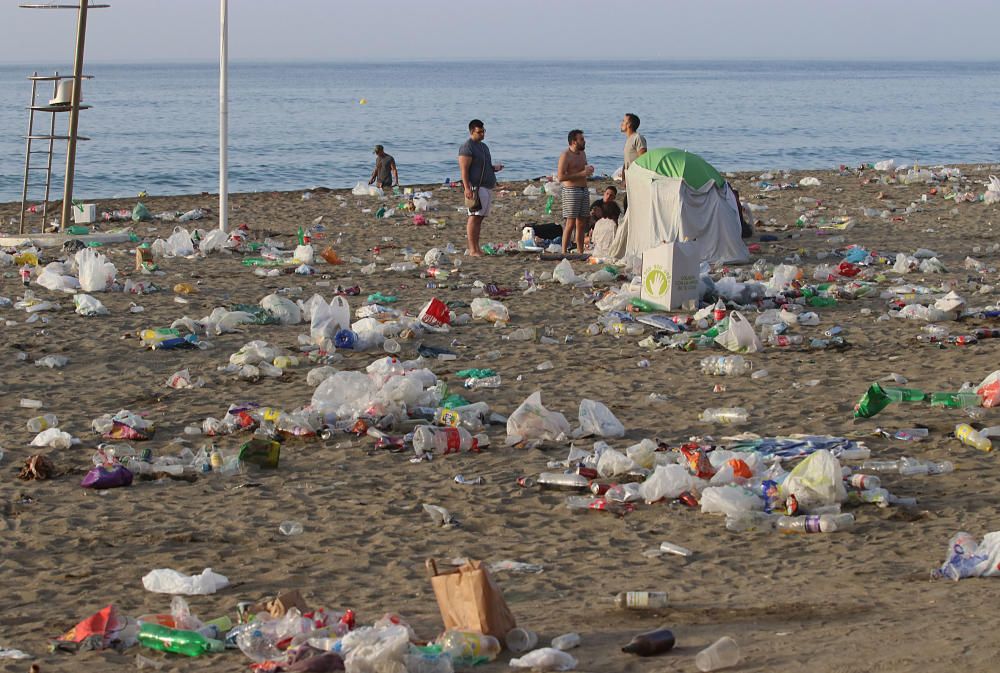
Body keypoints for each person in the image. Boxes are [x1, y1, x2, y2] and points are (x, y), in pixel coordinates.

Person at [458, 119, 503, 256]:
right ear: (472, 131)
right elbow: (464, 170)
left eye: (483, 131)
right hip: (475, 187)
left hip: (487, 186)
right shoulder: (467, 147)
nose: (482, 134)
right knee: (474, 217)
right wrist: (467, 188)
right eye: (479, 132)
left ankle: (477, 248)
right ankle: (473, 249)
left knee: (480, 217)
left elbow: (484, 166)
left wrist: (494, 169)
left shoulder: (484, 147)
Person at [557, 129, 594, 254]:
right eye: (581, 139)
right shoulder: (565, 155)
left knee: (581, 223)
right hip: (571, 190)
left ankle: (580, 251)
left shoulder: (582, 153)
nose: (584, 141)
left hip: (583, 189)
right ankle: (564, 251)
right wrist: (581, 173)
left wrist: (588, 170)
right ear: (574, 142)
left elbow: (583, 168)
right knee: (570, 222)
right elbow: (561, 177)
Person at [620, 113, 647, 211]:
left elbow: (643, 159)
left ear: (629, 124)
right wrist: (624, 177)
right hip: (629, 179)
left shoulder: (638, 138)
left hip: (636, 179)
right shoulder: (629, 140)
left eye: (624, 121)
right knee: (628, 205)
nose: (621, 123)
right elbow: (627, 160)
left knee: (632, 206)